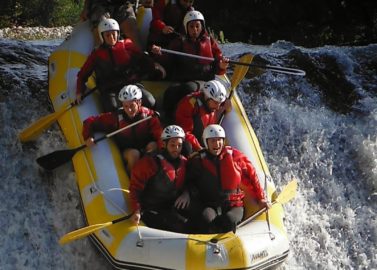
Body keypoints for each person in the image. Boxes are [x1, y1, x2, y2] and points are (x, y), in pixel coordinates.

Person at [186, 124, 271, 233]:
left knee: (229, 220)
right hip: (210, 204)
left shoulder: (235, 156)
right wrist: (187, 193)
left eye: (219, 140)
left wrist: (261, 197)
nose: (216, 144)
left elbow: (252, 174)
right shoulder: (198, 160)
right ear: (206, 142)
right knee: (206, 221)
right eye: (212, 141)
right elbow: (188, 180)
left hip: (234, 205)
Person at [76, 18, 165, 112]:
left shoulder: (128, 45)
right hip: (110, 89)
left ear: (118, 34)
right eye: (107, 35)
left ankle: (151, 121)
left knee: (150, 102)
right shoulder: (96, 54)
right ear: (102, 37)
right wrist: (79, 92)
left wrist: (155, 66)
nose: (111, 38)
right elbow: (83, 75)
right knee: (112, 108)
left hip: (131, 84)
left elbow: (144, 61)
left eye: (113, 34)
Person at [151, 10, 229, 117]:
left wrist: (221, 66)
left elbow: (218, 61)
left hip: (204, 81)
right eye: (191, 27)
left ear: (202, 27)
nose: (195, 30)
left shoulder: (209, 42)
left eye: (197, 26)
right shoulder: (179, 42)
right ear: (186, 27)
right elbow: (166, 59)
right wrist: (159, 53)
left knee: (189, 88)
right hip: (184, 79)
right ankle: (169, 118)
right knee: (170, 92)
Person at [82, 84, 163, 173]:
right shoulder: (116, 117)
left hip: (144, 148)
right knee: (134, 154)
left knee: (153, 145)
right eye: (126, 106)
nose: (129, 110)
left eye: (132, 106)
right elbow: (90, 121)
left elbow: (159, 135)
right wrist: (88, 136)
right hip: (127, 150)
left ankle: (146, 172)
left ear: (139, 102)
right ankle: (130, 177)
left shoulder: (150, 115)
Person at [129, 125, 191, 233]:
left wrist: (186, 193)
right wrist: (136, 210)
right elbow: (135, 188)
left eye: (179, 145)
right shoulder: (150, 162)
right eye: (172, 145)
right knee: (181, 226)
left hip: (170, 205)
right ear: (164, 144)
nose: (176, 149)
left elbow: (189, 182)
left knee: (195, 217)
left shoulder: (183, 162)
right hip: (151, 208)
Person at [174, 79, 231, 154]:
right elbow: (185, 132)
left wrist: (227, 105)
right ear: (207, 98)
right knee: (187, 148)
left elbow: (221, 102)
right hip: (190, 138)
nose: (218, 107)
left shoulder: (213, 102)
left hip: (204, 137)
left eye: (220, 103)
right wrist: (199, 147)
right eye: (216, 103)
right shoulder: (189, 105)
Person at [80, 0, 145, 48]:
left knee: (132, 28)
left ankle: (140, 59)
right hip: (99, 3)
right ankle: (102, 58)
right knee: (101, 29)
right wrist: (86, 7)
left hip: (122, 4)